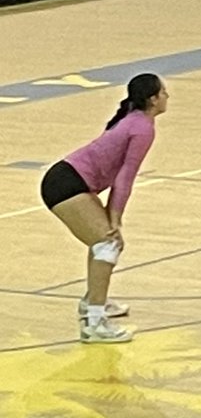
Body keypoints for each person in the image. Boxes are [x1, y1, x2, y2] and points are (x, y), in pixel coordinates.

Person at [39, 74, 169, 343]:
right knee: (107, 244)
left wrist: (112, 217)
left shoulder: (134, 119)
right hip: (66, 184)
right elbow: (125, 177)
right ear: (153, 99)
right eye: (164, 93)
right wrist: (115, 219)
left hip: (69, 180)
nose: (168, 97)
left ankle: (93, 302)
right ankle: (94, 324)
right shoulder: (143, 127)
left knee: (105, 243)